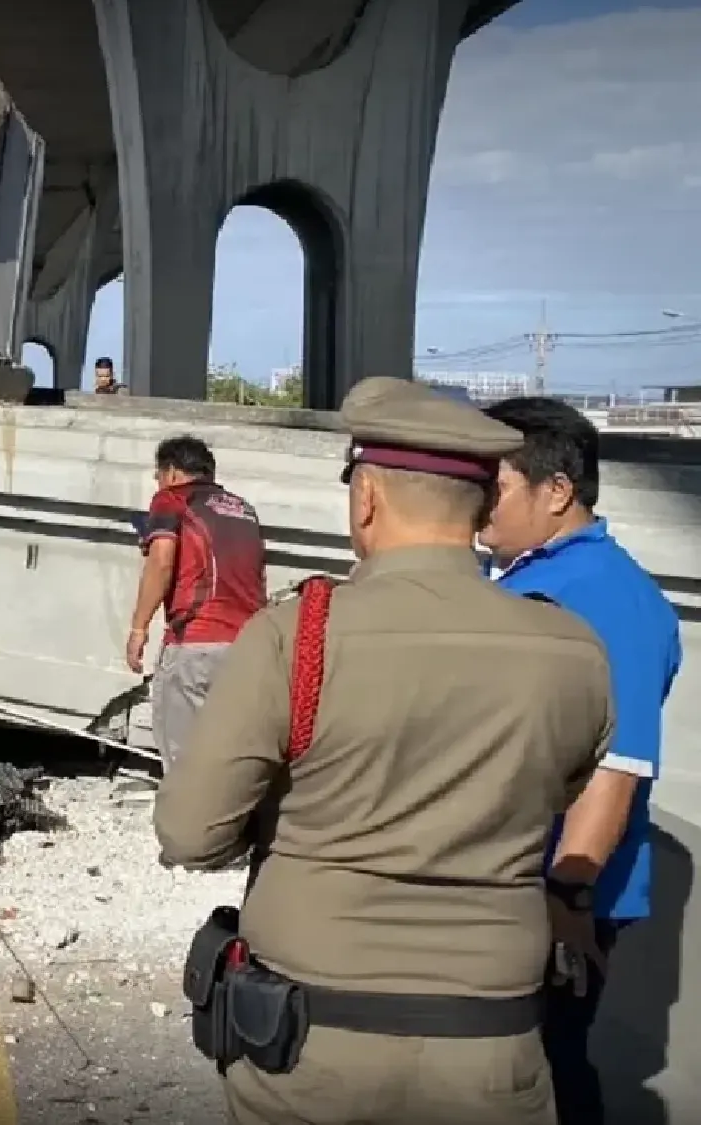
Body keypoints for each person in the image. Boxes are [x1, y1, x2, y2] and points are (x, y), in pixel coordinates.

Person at [157, 376, 615, 1125]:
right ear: (482, 505)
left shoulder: (296, 635)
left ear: (365, 496)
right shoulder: (573, 649)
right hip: (494, 1047)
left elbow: (190, 831)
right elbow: (557, 790)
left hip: (310, 1050)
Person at [481, 396, 683, 1125]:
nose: (477, 502)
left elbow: (617, 763)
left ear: (557, 490)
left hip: (558, 895)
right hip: (504, 882)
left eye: (493, 484)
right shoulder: (517, 574)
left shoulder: (608, 597)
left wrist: (569, 897)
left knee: (544, 1071)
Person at [127, 435, 266, 770]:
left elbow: (161, 560)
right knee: (232, 759)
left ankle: (187, 820)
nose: (158, 483)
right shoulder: (245, 509)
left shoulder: (172, 500)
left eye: (159, 475)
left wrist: (138, 628)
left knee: (184, 763)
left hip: (195, 644)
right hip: (248, 647)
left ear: (173, 473)